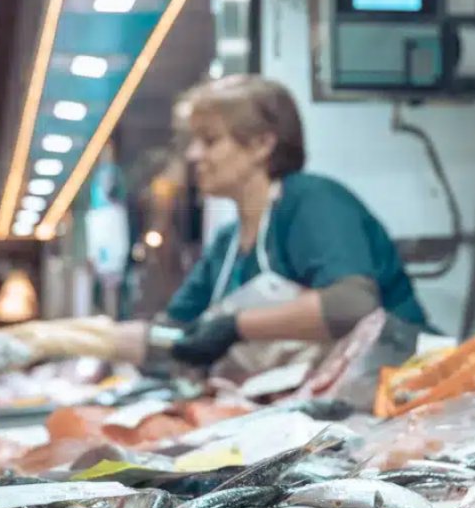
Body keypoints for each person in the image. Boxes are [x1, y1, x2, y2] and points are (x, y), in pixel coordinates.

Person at [165, 75, 428, 368]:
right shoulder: (227, 243)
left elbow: (352, 304)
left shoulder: (311, 200)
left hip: (398, 380)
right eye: (192, 142)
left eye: (210, 141)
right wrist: (111, 339)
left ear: (262, 144)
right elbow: (175, 328)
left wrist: (236, 327)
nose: (193, 155)